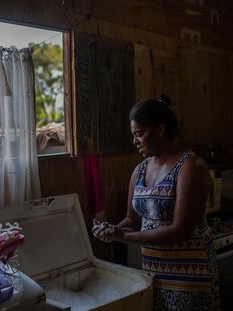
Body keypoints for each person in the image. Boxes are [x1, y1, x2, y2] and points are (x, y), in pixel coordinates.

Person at [92, 95, 220, 311]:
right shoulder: (140, 170)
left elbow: (180, 230)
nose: (135, 141)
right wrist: (113, 229)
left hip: (189, 274)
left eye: (139, 134)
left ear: (159, 130)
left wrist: (121, 236)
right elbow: (133, 219)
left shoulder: (190, 167)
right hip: (154, 271)